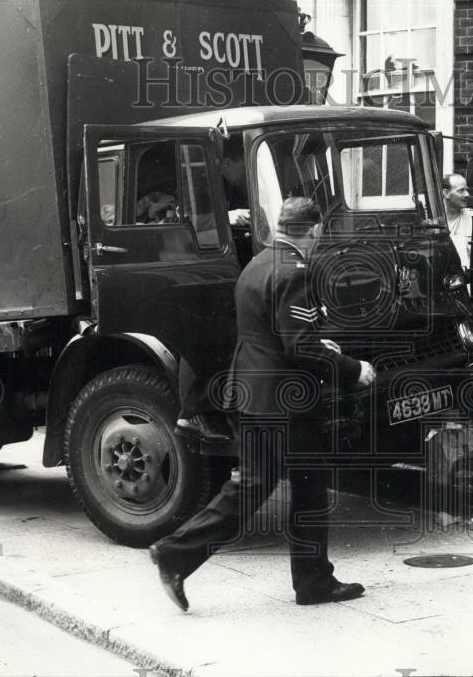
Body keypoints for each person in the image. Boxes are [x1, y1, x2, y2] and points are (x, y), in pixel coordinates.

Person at [150, 197, 377, 611]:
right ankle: (175, 553)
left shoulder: (256, 265)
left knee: (303, 485)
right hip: (283, 400)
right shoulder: (295, 272)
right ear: (313, 231)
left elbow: (269, 334)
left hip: (257, 391)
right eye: (318, 233)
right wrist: (351, 367)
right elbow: (300, 346)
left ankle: (313, 582)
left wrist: (312, 344)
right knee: (259, 487)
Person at [442, 173, 473, 363]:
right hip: (443, 290)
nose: (467, 194)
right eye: (461, 190)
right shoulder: (433, 222)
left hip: (471, 290)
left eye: (467, 189)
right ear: (446, 193)